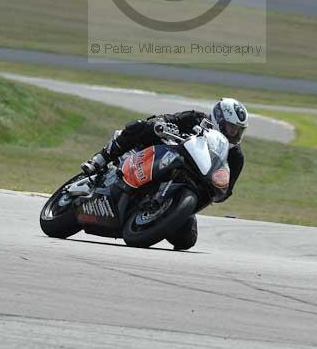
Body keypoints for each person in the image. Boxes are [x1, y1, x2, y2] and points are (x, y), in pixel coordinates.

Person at [81, 97, 248, 250]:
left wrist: (220, 184)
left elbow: (226, 189)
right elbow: (169, 119)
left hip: (191, 184)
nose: (235, 134)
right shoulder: (196, 118)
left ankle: (157, 213)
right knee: (142, 126)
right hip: (165, 154)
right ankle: (100, 158)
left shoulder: (236, 156)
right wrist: (161, 124)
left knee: (186, 240)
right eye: (231, 128)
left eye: (239, 130)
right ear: (218, 119)